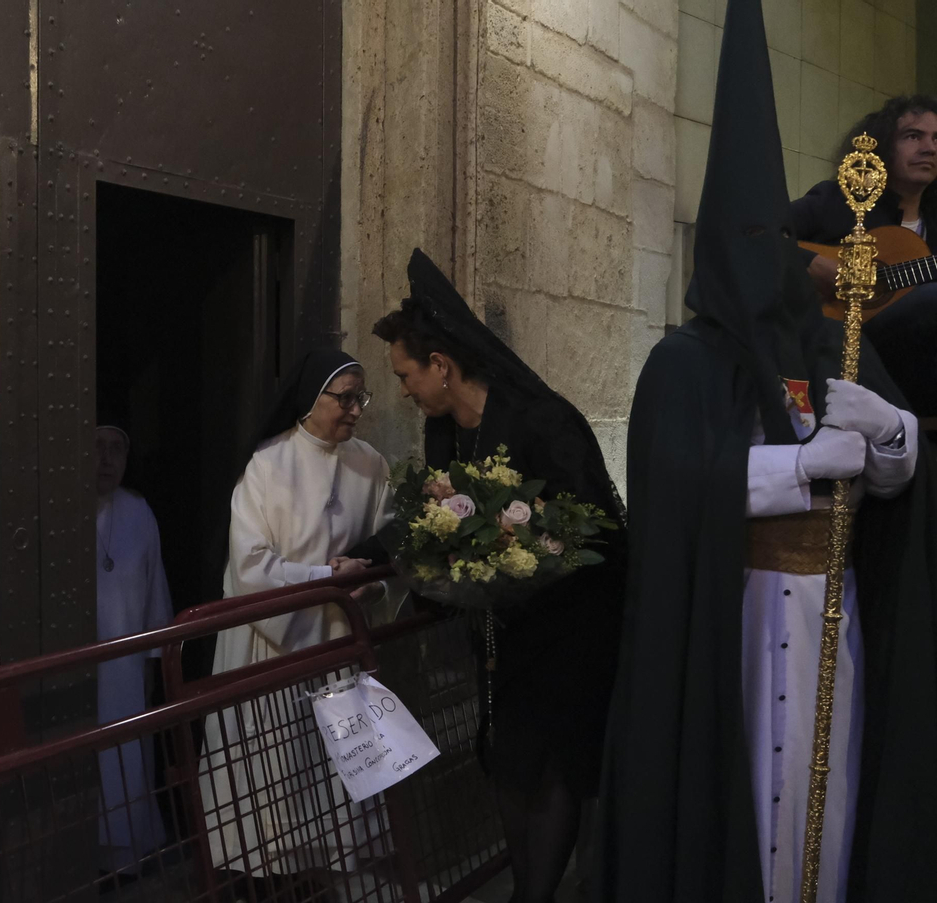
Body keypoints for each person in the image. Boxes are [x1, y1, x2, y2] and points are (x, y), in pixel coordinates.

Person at [598, 2, 936, 901]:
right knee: (747, 797)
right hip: (735, 618)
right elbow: (674, 488)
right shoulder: (684, 362)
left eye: (772, 243)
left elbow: (902, 477)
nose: (763, 263)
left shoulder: (828, 344)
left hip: (840, 610)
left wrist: (892, 437)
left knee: (835, 798)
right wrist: (797, 468)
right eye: (746, 243)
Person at [353, 249, 627, 903]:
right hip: (504, 639)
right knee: (506, 759)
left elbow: (596, 531)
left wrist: (522, 558)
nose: (404, 392)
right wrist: (398, 561)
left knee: (554, 763)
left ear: (441, 366)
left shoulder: (545, 422)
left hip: (570, 635)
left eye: (405, 375)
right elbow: (433, 523)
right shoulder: (445, 436)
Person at [198, 349, 394, 892]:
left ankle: (321, 881)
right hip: (270, 642)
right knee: (269, 781)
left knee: (328, 786)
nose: (355, 409)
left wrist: (370, 585)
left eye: (361, 397)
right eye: (345, 398)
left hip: (335, 642)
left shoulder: (372, 464)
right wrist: (324, 577)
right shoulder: (268, 463)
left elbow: (387, 551)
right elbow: (251, 566)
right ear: (313, 399)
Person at [791, 95, 937, 436]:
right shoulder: (837, 201)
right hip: (829, 338)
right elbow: (757, 231)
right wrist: (810, 262)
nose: (929, 148)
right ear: (885, 145)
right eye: (913, 136)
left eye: (936, 139)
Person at [91, 416, 173, 880]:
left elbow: (154, 589)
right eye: (96, 447)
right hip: (77, 670)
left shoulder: (138, 511)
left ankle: (122, 860)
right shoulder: (58, 507)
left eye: (116, 449)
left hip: (124, 668)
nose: (106, 460)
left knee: (125, 758)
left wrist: (152, 661)